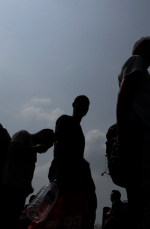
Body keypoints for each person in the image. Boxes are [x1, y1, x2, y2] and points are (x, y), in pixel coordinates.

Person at [116, 34, 150, 229]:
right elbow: (123, 96)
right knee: (145, 198)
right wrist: (121, 136)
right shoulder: (135, 61)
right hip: (142, 135)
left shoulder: (144, 74)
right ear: (140, 48)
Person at [50, 95, 97, 229]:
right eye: (81, 104)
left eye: (86, 105)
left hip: (76, 171)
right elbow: (58, 143)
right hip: (64, 171)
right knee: (63, 207)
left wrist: (82, 161)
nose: (84, 107)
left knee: (88, 201)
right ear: (73, 104)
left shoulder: (79, 128)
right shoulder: (65, 119)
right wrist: (59, 172)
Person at [0, 129, 54, 229]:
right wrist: (35, 148)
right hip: (7, 187)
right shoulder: (24, 134)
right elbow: (12, 149)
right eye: (46, 144)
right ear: (44, 134)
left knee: (11, 224)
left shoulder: (32, 149)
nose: (45, 148)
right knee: (5, 223)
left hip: (19, 191)